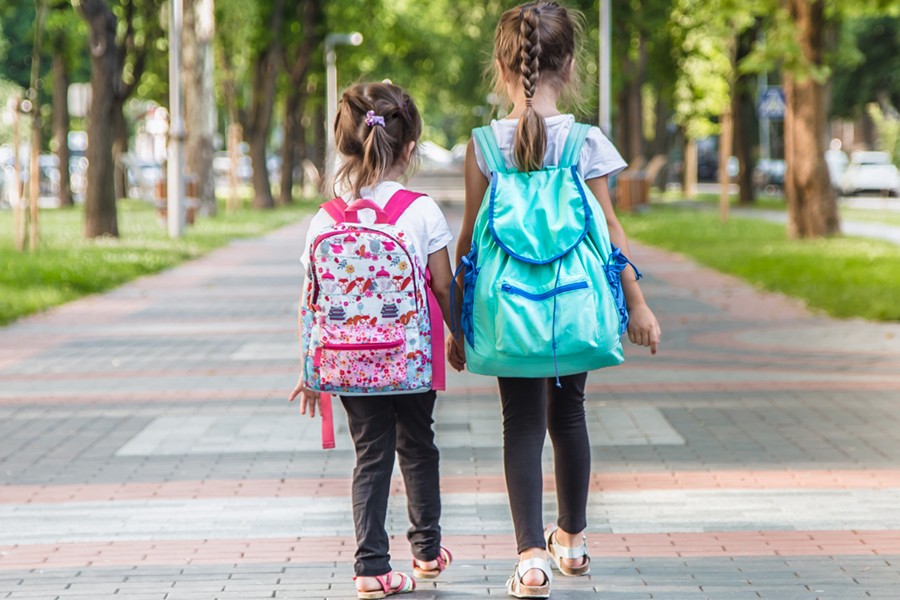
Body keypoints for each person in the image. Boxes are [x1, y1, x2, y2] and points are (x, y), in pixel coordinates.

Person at [447, 3, 662, 598]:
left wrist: (457, 321)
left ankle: (531, 558)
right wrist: (638, 304)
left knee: (520, 422)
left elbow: (468, 240)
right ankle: (572, 538)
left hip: (506, 308)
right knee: (569, 415)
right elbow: (610, 230)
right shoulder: (586, 142)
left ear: (500, 65)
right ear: (569, 66)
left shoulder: (483, 146)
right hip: (574, 307)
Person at [289, 82, 455, 600]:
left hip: (348, 362)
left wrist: (309, 369)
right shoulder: (421, 210)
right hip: (410, 359)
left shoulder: (325, 218)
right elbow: (444, 284)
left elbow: (309, 299)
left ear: (344, 145)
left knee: (370, 455)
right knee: (419, 444)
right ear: (409, 149)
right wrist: (459, 336)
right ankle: (427, 551)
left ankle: (370, 567)